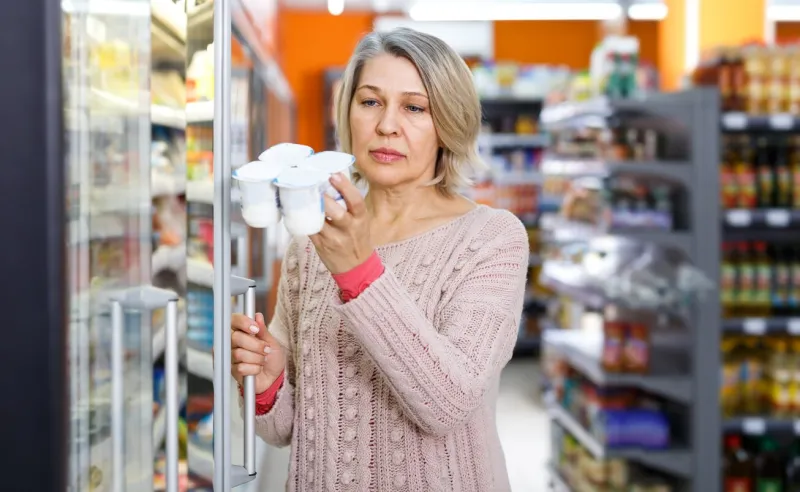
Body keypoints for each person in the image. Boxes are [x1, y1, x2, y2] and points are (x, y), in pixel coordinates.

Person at [230, 27, 529, 491]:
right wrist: (268, 381)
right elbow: (284, 431)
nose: (387, 125)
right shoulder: (310, 243)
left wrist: (356, 271)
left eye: (414, 107)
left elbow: (446, 405)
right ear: (348, 112)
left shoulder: (491, 239)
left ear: (448, 122)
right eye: (370, 101)